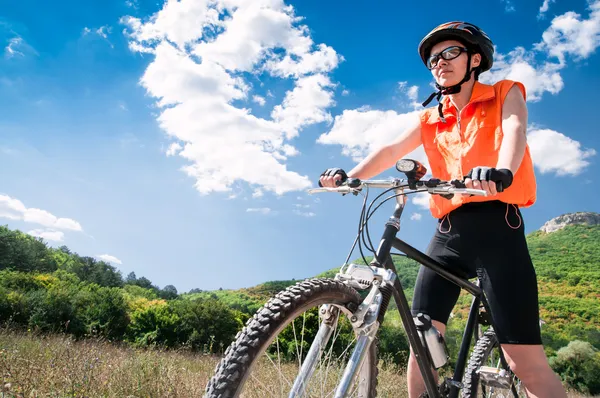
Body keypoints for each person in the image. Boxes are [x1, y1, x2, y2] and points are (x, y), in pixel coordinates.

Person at [318, 21, 567, 398]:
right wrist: (347, 176)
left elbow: (514, 130)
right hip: (447, 233)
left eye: (451, 53)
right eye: (434, 59)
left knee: (522, 360)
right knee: (421, 341)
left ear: (475, 59)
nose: (440, 62)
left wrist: (501, 171)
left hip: (498, 226)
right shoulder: (430, 118)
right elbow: (389, 152)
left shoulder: (505, 92)